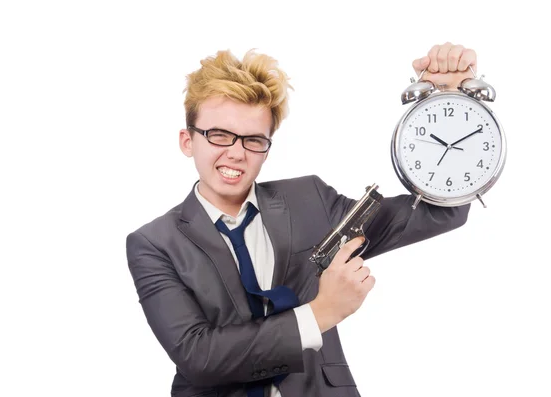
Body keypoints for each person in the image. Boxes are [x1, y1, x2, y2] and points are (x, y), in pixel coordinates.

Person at [126, 42, 475, 397]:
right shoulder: (154, 244)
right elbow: (198, 357)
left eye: (253, 140)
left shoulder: (310, 201)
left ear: (268, 148)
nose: (235, 152)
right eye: (218, 135)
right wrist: (321, 312)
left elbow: (439, 211)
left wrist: (449, 102)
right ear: (188, 141)